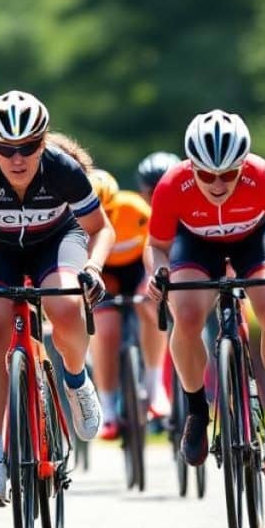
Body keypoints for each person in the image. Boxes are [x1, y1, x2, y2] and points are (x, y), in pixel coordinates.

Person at [0, 89, 113, 506]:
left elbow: (101, 229)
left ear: (44, 141)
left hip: (56, 241)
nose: (18, 158)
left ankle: (75, 379)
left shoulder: (63, 170)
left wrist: (94, 267)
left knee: (64, 305)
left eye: (29, 147)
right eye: (5, 148)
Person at [146, 110, 265, 469]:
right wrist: (157, 272)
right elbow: (156, 244)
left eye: (229, 174)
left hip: (255, 239)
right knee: (185, 316)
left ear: (243, 165)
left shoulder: (264, 176)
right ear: (191, 166)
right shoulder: (172, 184)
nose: (218, 184)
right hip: (196, 244)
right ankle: (197, 414)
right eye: (206, 175)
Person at [87, 169, 169, 439]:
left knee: (150, 303)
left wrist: (149, 278)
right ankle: (108, 410)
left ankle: (155, 385)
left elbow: (153, 244)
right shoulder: (75, 218)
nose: (104, 220)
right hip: (102, 272)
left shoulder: (135, 208)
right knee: (106, 329)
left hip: (136, 268)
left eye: (109, 212)